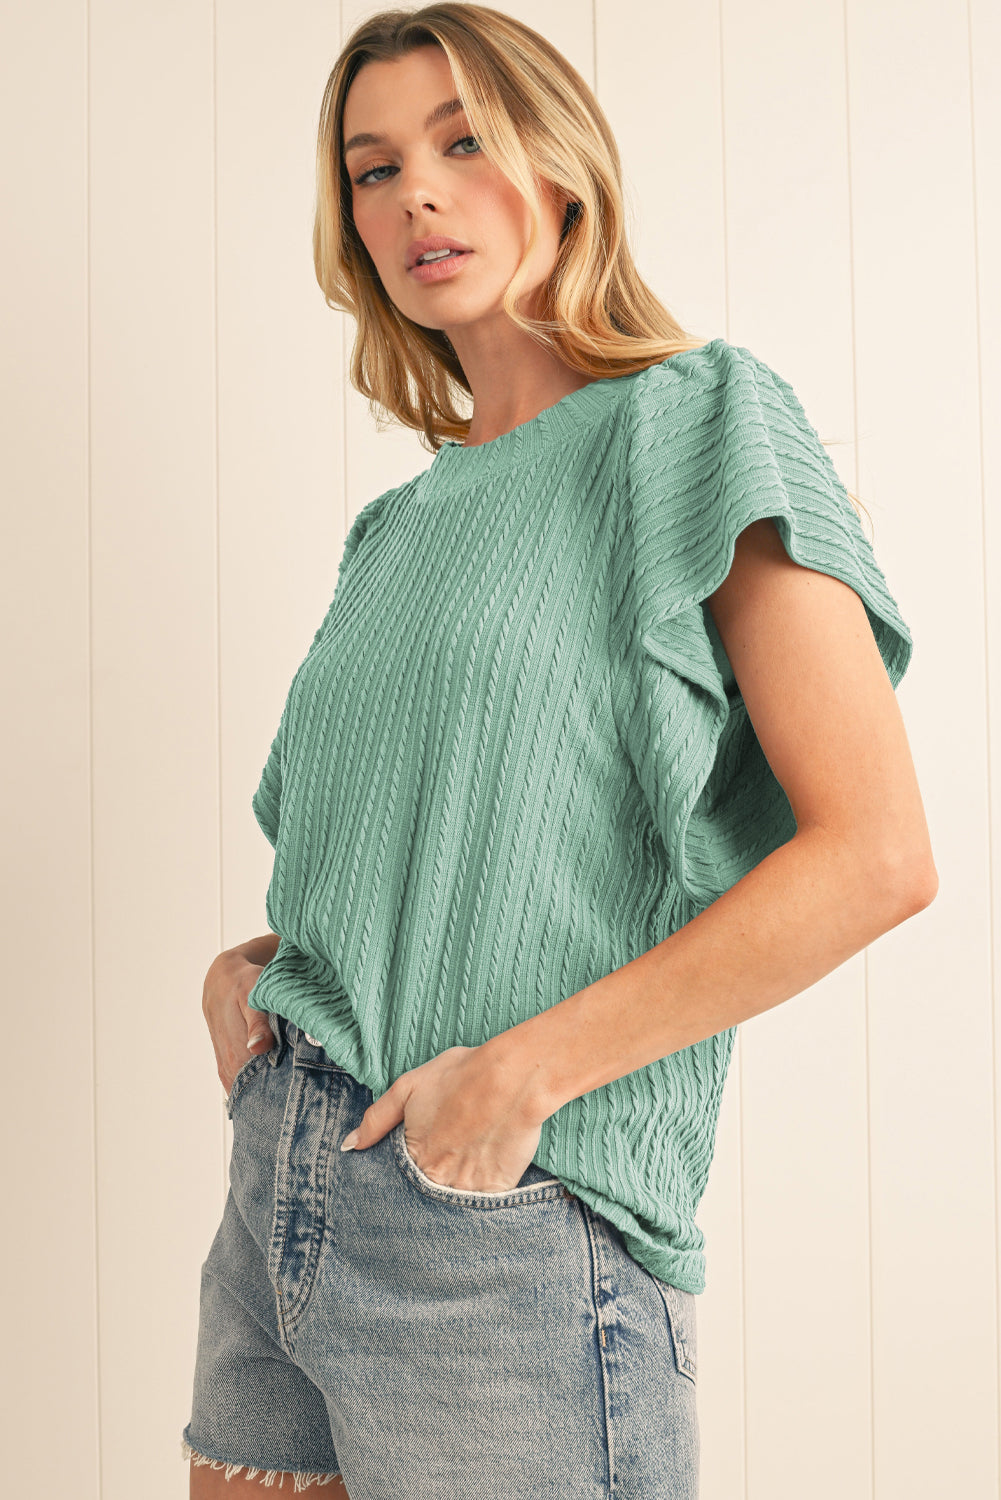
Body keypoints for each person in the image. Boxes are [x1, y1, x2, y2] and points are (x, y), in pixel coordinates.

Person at [181, 5, 937, 1496]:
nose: (417, 194)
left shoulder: (697, 420)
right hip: (276, 1191)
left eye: (464, 141)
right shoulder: (396, 527)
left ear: (564, 166)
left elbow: (873, 855)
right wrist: (249, 965)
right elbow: (445, 862)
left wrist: (518, 1079)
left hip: (501, 1229)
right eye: (373, 164)